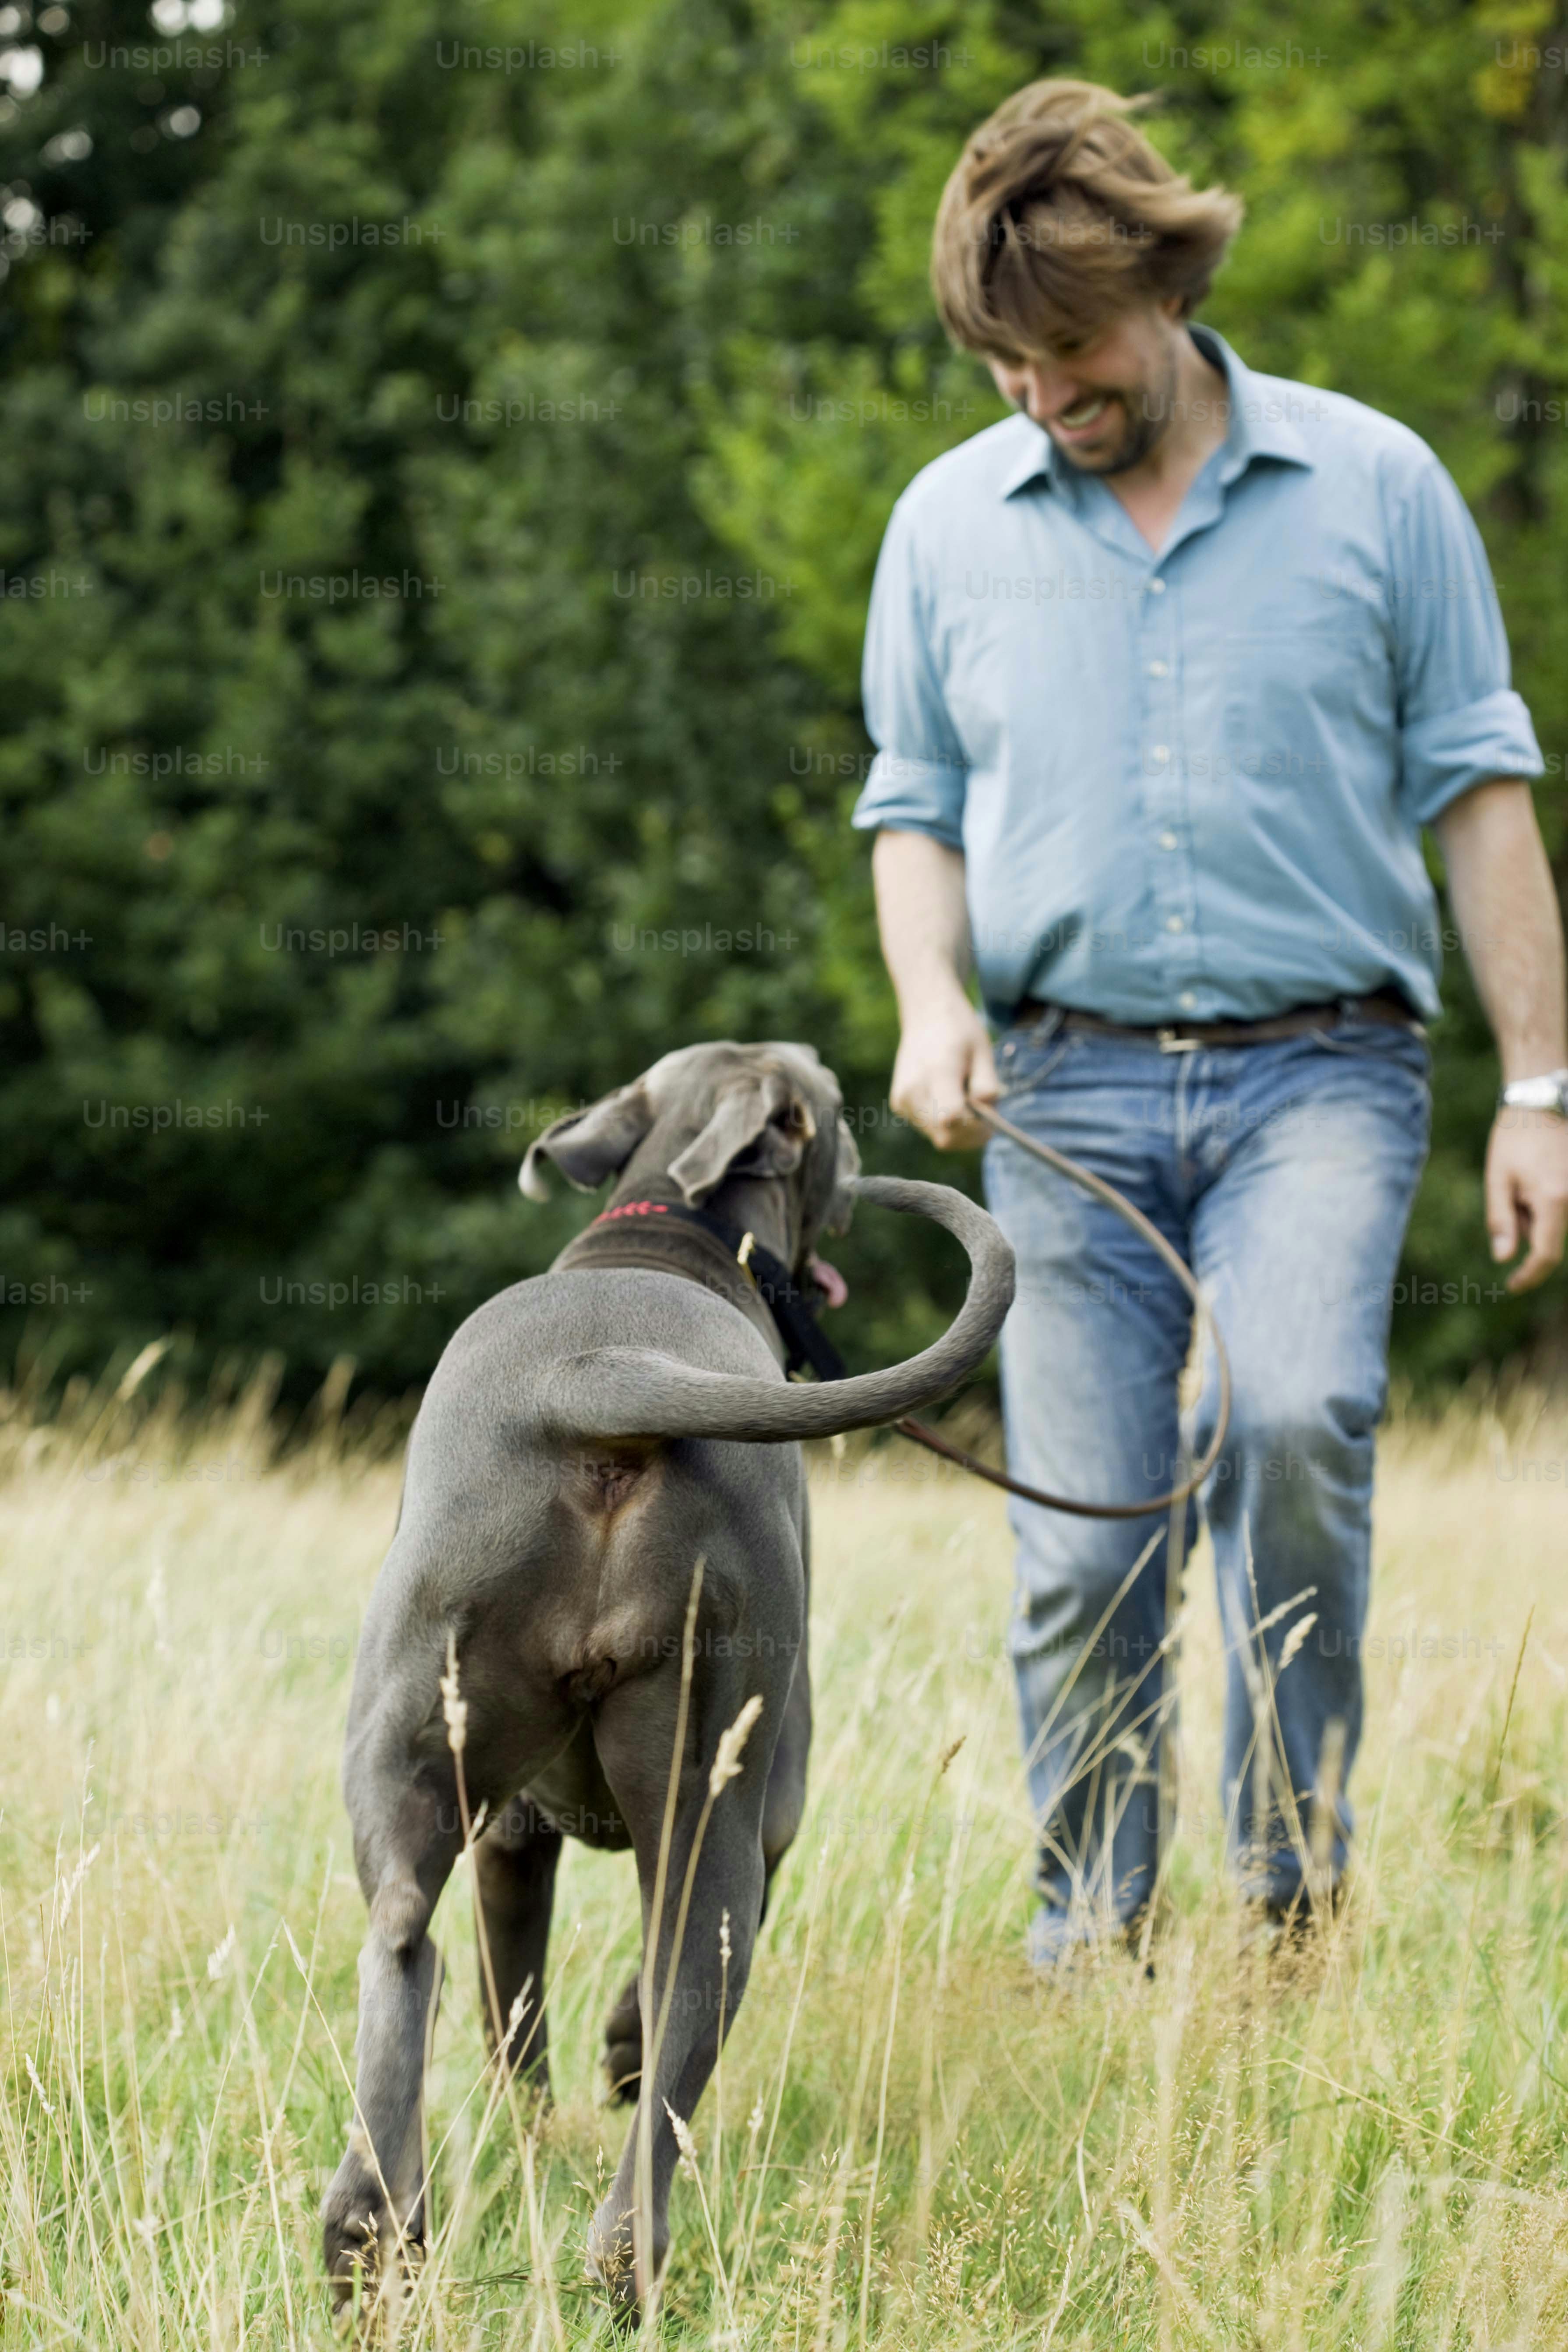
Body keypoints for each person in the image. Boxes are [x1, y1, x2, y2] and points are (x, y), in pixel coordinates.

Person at [853, 79, 1568, 1964]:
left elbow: (1480, 795)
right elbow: (909, 805)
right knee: (1086, 1534)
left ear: (1162, 287)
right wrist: (930, 1002)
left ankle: (1284, 1900)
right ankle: (1091, 1938)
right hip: (1064, 1089)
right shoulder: (944, 527)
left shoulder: (1378, 488)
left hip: (1321, 1069)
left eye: (1070, 352)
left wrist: (1542, 1089)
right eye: (1003, 364)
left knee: (1297, 1413)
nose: (1039, 396)